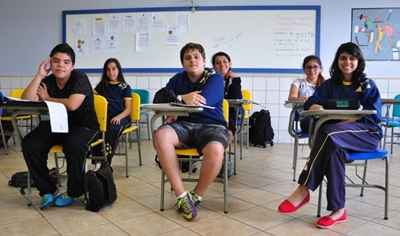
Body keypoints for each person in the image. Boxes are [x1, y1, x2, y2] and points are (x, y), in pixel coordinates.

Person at [277, 42, 382, 229]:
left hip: (366, 134)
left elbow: (373, 116)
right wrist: (314, 106)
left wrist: (348, 121)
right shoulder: (329, 85)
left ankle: (304, 188)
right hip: (337, 136)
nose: (347, 62)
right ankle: (338, 210)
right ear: (337, 60)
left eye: (352, 58)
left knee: (328, 132)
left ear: (358, 61)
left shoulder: (366, 85)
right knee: (333, 150)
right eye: (343, 57)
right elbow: (310, 102)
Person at [153, 42, 230, 221]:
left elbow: (203, 101)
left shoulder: (215, 78)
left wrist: (178, 100)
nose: (192, 60)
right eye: (187, 58)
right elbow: (159, 97)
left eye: (196, 57)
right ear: (182, 63)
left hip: (212, 126)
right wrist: (182, 97)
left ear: (203, 61)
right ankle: (182, 196)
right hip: (184, 126)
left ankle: (196, 196)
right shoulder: (177, 79)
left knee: (216, 149)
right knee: (161, 135)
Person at [21, 43, 99, 209]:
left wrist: (48, 98)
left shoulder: (80, 78)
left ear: (72, 66)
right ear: (50, 63)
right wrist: (39, 75)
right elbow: (27, 99)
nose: (60, 65)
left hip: (84, 127)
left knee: (74, 145)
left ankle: (74, 192)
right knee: (30, 143)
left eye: (66, 62)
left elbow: (72, 105)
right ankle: (47, 190)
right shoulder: (48, 80)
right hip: (57, 126)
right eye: (56, 61)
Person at [94, 58, 132, 165]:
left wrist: (119, 117)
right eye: (108, 70)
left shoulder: (124, 87)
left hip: (121, 117)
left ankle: (106, 162)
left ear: (118, 70)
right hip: (106, 117)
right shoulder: (102, 85)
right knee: (96, 128)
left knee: (112, 127)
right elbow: (92, 96)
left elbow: (128, 109)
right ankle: (97, 160)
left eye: (114, 69)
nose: (111, 72)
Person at [288, 55, 324, 132]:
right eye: (308, 67)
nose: (312, 70)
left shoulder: (326, 84)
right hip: (306, 118)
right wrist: (307, 99)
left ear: (320, 69)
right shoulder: (298, 82)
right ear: (304, 69)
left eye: (315, 67)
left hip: (324, 117)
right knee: (320, 125)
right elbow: (291, 98)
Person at [212, 51, 242, 133]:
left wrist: (234, 80)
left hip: (231, 111)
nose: (222, 65)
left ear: (230, 64)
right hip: (215, 111)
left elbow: (237, 98)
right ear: (214, 67)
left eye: (225, 61)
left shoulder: (234, 78)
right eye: (218, 63)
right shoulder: (211, 79)